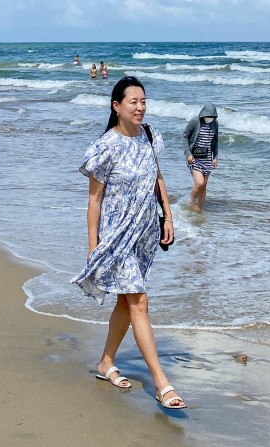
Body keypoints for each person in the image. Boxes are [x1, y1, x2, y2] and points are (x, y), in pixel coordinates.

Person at [71, 76, 185, 410]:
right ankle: (162, 384)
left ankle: (106, 362)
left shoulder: (150, 136)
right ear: (116, 106)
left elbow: (157, 177)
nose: (140, 107)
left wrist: (168, 215)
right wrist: (93, 246)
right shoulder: (105, 146)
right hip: (116, 234)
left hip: (145, 231)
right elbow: (94, 201)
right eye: (133, 101)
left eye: (143, 101)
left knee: (126, 301)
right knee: (139, 301)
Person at [183, 103, 219, 213]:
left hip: (207, 158)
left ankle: (200, 210)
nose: (210, 119)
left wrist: (215, 157)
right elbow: (185, 135)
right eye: (208, 116)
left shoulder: (215, 124)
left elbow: (215, 141)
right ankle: (191, 202)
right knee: (199, 183)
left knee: (204, 187)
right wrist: (188, 153)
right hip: (194, 157)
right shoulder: (195, 121)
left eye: (212, 117)